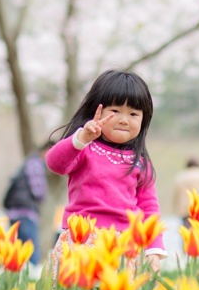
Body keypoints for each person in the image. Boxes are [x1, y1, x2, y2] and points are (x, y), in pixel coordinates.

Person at [46, 69, 166, 273]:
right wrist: (80, 139)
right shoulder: (85, 149)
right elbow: (55, 163)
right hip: (81, 239)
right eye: (115, 111)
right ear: (97, 111)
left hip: (124, 245)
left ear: (144, 120)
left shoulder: (140, 162)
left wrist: (154, 248)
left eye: (134, 114)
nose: (124, 119)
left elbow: (149, 208)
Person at [2, 143, 49, 266]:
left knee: (15, 255)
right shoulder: (35, 163)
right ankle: (31, 282)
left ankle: (16, 283)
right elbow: (38, 190)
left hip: (14, 214)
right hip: (25, 214)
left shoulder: (27, 163)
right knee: (31, 254)